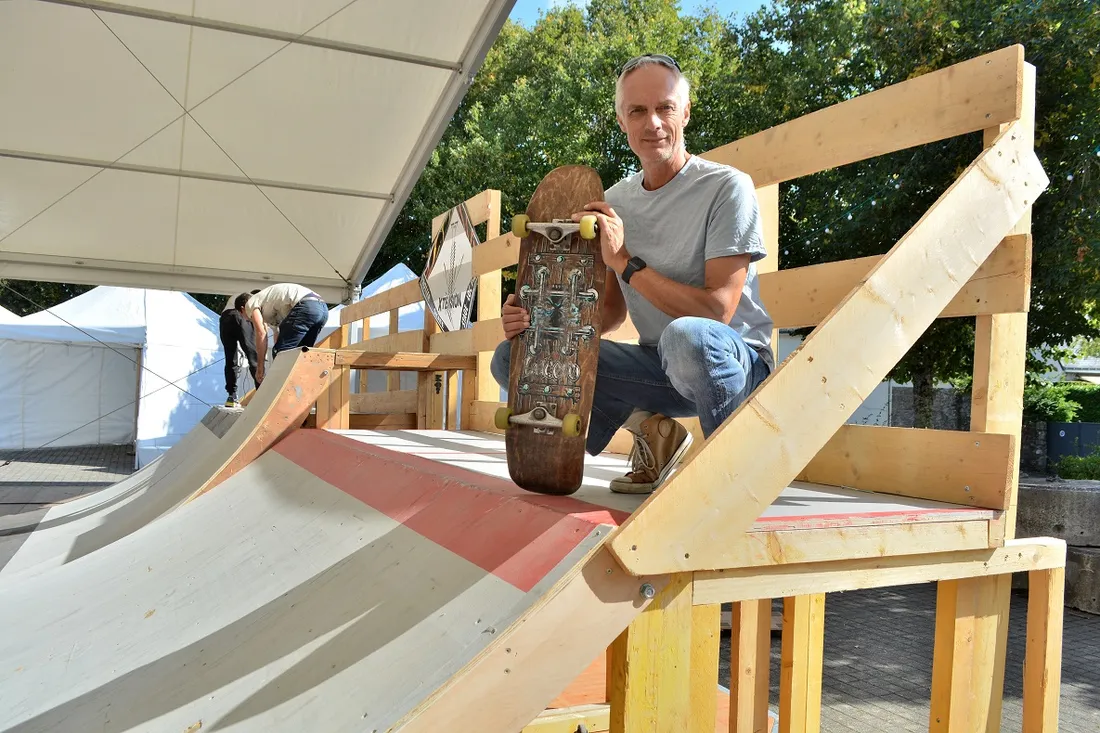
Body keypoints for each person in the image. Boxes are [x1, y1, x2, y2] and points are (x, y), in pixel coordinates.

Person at [490, 53, 775, 494]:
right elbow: (608, 317)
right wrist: (539, 320)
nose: (653, 123)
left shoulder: (726, 187)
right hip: (660, 366)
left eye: (664, 107)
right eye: (637, 111)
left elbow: (717, 311)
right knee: (513, 359)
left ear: (686, 110)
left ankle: (734, 483)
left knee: (688, 337)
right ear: (622, 120)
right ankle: (655, 435)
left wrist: (625, 261)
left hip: (734, 365)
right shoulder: (615, 202)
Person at [244, 283, 329, 385]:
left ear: (242, 310)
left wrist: (260, 367)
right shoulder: (272, 305)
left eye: (247, 319)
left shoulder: (250, 303)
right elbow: (278, 335)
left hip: (306, 306)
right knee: (301, 353)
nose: (249, 320)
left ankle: (280, 391)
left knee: (281, 354)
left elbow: (261, 333)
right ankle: (301, 387)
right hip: (322, 309)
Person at [218, 290, 260, 407]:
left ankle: (231, 396)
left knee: (230, 358)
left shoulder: (239, 296)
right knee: (253, 357)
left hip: (225, 319)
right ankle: (262, 392)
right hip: (240, 316)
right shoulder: (254, 300)